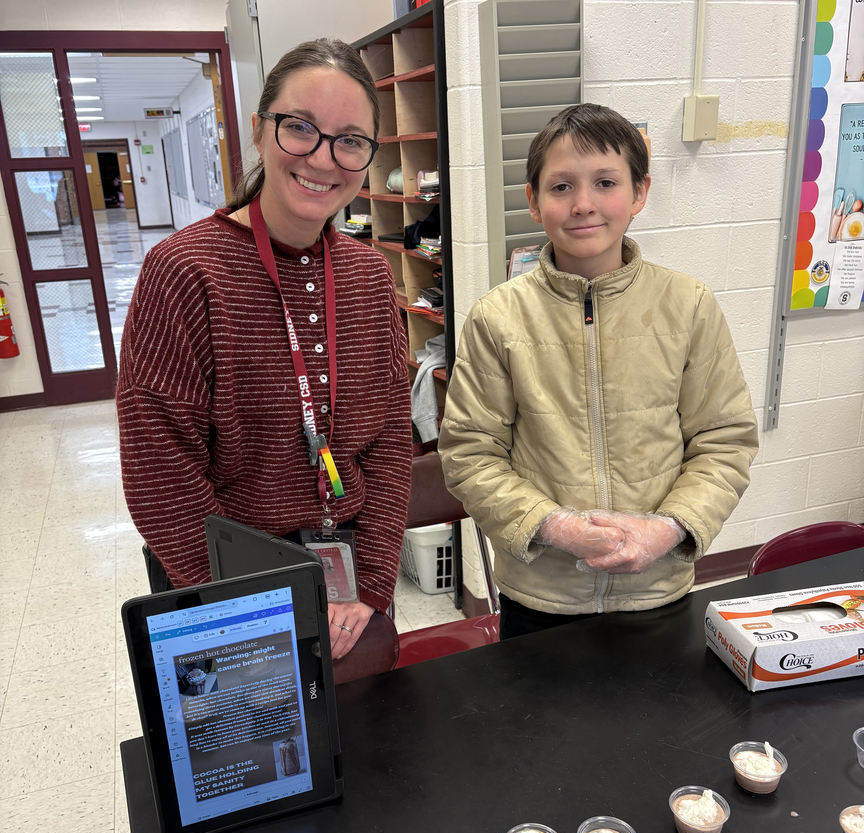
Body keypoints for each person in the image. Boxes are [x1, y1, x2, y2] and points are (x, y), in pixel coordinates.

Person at [117, 39, 412, 660]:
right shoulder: (184, 271)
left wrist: (375, 587)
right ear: (258, 131)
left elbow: (389, 440)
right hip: (229, 586)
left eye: (350, 140)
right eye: (300, 128)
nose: (323, 158)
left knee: (381, 747)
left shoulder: (368, 275)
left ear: (366, 158)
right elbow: (159, 471)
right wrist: (254, 612)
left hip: (352, 577)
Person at [438, 104, 759, 640]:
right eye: (561, 187)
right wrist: (556, 526)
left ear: (639, 193)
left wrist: (668, 528)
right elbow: (471, 454)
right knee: (539, 725)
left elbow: (724, 442)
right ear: (534, 202)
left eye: (605, 182)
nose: (583, 204)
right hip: (541, 597)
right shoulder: (497, 317)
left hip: (658, 591)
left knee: (662, 724)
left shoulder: (689, 305)